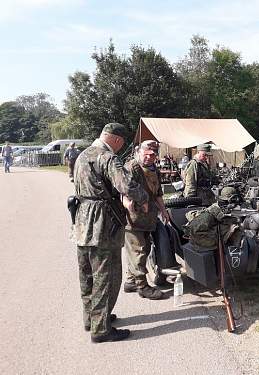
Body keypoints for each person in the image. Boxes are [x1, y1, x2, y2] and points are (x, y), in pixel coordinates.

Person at [73, 123, 148, 343]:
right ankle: (101, 329)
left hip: (82, 222)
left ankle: (92, 318)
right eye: (122, 142)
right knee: (107, 276)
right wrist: (143, 199)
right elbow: (126, 184)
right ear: (116, 139)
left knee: (87, 274)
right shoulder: (107, 157)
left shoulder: (82, 155)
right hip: (103, 224)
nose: (122, 146)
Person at [122, 140, 169, 300]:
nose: (149, 157)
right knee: (139, 251)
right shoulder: (131, 167)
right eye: (146, 153)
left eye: (153, 154)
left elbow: (158, 194)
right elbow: (122, 190)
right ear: (138, 151)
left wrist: (164, 211)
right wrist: (127, 204)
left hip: (148, 219)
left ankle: (130, 281)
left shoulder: (153, 169)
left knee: (145, 249)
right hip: (133, 219)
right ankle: (142, 286)